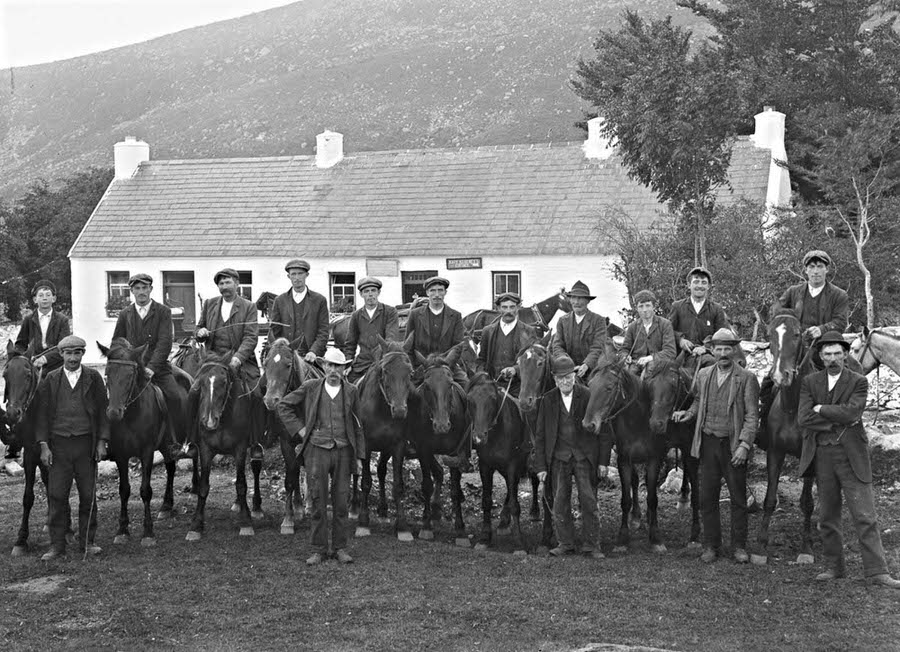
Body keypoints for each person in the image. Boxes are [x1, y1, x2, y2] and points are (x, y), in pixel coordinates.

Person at [797, 332, 900, 588]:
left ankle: (877, 571)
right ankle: (834, 567)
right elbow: (803, 418)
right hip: (822, 456)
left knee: (864, 514)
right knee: (828, 515)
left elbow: (854, 412)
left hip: (852, 454)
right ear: (820, 357)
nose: (833, 359)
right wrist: (837, 416)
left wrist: (820, 409)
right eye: (827, 354)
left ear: (845, 355)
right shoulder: (810, 382)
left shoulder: (858, 381)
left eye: (837, 353)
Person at [673, 328, 759, 564]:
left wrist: (744, 445)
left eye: (727, 349)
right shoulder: (704, 375)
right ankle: (711, 545)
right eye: (718, 348)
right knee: (707, 497)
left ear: (734, 351)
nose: (722, 353)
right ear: (712, 350)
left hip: (732, 445)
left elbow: (752, 415)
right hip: (708, 443)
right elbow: (699, 402)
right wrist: (687, 414)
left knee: (738, 498)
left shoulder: (747, 378)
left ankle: (739, 546)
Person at [276, 348, 365, 566]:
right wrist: (301, 430)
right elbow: (283, 406)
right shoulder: (311, 387)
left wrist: (360, 456)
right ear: (324, 367)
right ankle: (318, 549)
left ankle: (340, 548)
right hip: (317, 451)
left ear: (345, 369)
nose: (333, 370)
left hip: (344, 451)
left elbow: (359, 425)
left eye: (338, 366)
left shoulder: (352, 391)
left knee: (342, 500)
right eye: (330, 366)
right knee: (317, 499)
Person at [34, 335, 110, 561]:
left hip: (86, 445)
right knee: (57, 495)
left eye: (77, 353)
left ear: (83, 355)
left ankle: (88, 542)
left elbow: (103, 411)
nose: (73, 358)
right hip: (59, 447)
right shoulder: (51, 379)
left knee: (88, 495)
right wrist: (44, 446)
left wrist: (101, 442)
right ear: (61, 355)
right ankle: (57, 545)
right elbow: (42, 416)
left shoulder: (93, 378)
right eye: (68, 353)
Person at [760, 250, 849, 437]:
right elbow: (779, 311)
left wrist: (822, 329)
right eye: (811, 267)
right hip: (796, 348)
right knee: (769, 381)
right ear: (806, 271)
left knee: (846, 376)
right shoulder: (793, 292)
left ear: (826, 270)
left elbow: (841, 321)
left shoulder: (838, 295)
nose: (816, 271)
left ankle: (841, 429)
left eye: (820, 267)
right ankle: (764, 429)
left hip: (823, 348)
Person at [534, 355, 606, 559]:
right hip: (559, 458)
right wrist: (541, 467)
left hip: (584, 457)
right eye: (560, 378)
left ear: (574, 376)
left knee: (589, 501)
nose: (565, 381)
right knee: (559, 502)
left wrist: (602, 462)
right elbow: (540, 436)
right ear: (555, 380)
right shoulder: (547, 400)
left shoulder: (588, 395)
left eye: (568, 377)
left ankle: (592, 545)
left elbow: (604, 430)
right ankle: (565, 543)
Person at [112, 273, 191, 457]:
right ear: (131, 291)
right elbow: (117, 341)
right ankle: (115, 442)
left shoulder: (163, 311)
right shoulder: (125, 314)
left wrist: (152, 368)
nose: (141, 292)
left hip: (158, 368)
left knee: (174, 397)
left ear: (150, 289)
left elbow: (165, 342)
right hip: (132, 369)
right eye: (137, 289)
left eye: (145, 288)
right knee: (115, 397)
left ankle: (174, 441)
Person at [194, 268, 263, 458]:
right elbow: (199, 328)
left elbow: (250, 337)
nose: (224, 287)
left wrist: (238, 358)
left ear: (237, 284)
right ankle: (191, 440)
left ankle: (256, 442)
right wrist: (200, 333)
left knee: (256, 395)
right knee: (192, 392)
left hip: (239, 361)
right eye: (221, 284)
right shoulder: (209, 304)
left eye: (228, 282)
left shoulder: (248, 307)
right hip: (212, 361)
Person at [7, 279, 72, 460]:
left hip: (55, 366)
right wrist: (20, 357)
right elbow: (20, 343)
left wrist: (46, 358)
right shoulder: (29, 319)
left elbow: (63, 346)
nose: (44, 298)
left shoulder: (62, 320)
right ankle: (15, 439)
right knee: (17, 391)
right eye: (40, 295)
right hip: (33, 365)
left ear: (54, 299)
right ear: (35, 300)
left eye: (48, 295)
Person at [667, 267, 730, 370]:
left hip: (706, 357)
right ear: (689, 285)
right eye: (696, 282)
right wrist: (680, 340)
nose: (700, 286)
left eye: (704, 282)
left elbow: (721, 335)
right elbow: (668, 331)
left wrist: (706, 348)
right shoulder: (677, 306)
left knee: (713, 366)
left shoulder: (716, 309)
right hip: (681, 357)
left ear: (708, 286)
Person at [475, 292, 537, 395]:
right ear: (498, 308)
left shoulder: (529, 331)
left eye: (512, 307)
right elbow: (481, 360)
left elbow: (532, 361)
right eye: (504, 307)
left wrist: (516, 370)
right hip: (492, 388)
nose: (508, 311)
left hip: (519, 389)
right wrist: (483, 378)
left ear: (518, 308)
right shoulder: (488, 331)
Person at [268, 259, 330, 363]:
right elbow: (274, 331)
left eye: (300, 274)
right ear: (289, 276)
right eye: (293, 274)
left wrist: (314, 351)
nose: (297, 278)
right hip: (286, 357)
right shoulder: (280, 300)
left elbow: (323, 331)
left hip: (311, 356)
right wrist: (279, 351)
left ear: (307, 275)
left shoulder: (319, 300)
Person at [404, 276, 465, 379]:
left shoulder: (455, 316)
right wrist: (412, 368)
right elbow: (408, 346)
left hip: (448, 367)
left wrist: (446, 365)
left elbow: (458, 346)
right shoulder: (415, 315)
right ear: (427, 293)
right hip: (420, 367)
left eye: (440, 290)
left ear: (445, 292)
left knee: (467, 386)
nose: (437, 295)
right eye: (433, 290)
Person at [342, 276, 400, 383]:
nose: (370, 294)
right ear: (361, 294)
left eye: (373, 290)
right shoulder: (356, 315)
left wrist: (383, 357)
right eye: (366, 291)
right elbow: (350, 343)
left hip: (384, 362)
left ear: (378, 292)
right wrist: (348, 364)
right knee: (348, 388)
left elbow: (390, 338)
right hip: (363, 363)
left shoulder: (390, 312)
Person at [549, 280, 609, 380]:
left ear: (588, 301)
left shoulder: (598, 321)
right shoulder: (562, 321)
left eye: (580, 298)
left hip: (592, 371)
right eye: (574, 298)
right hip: (567, 370)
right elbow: (557, 345)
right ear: (570, 300)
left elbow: (598, 347)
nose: (576, 302)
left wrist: (586, 364)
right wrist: (567, 364)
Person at [620, 290, 676, 377]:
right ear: (636, 308)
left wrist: (650, 358)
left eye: (648, 305)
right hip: (636, 365)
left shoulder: (665, 324)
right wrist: (625, 357)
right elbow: (624, 349)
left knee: (650, 371)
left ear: (654, 306)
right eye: (641, 306)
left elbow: (670, 352)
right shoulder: (632, 327)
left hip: (659, 366)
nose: (644, 310)